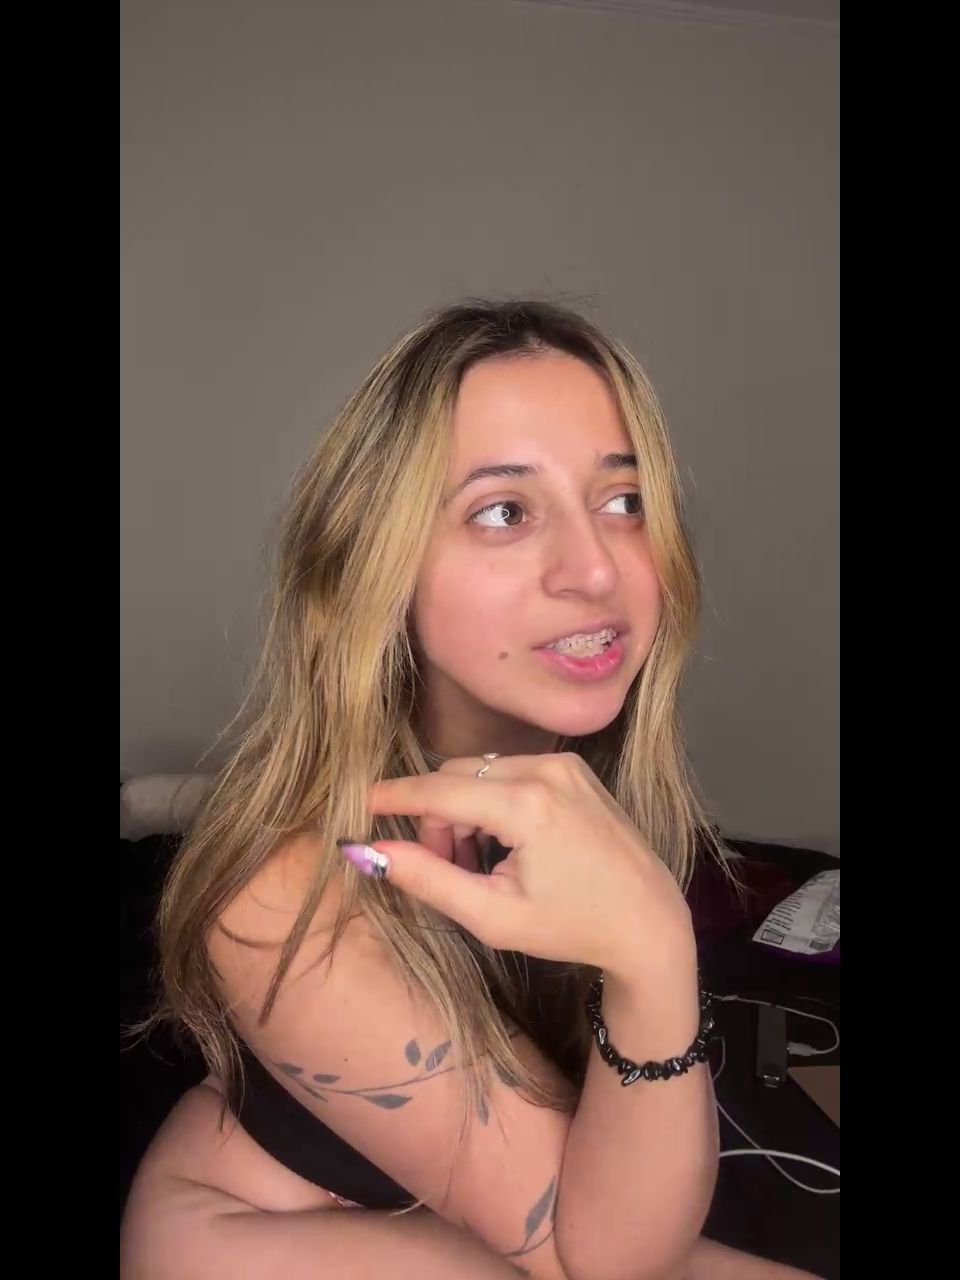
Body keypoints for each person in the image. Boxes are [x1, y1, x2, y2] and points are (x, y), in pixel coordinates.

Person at [121, 300, 823, 1279]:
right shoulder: (285, 889)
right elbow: (608, 1263)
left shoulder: (571, 782)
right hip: (264, 1238)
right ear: (376, 563)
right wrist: (652, 954)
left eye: (624, 501)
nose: (595, 569)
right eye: (504, 512)